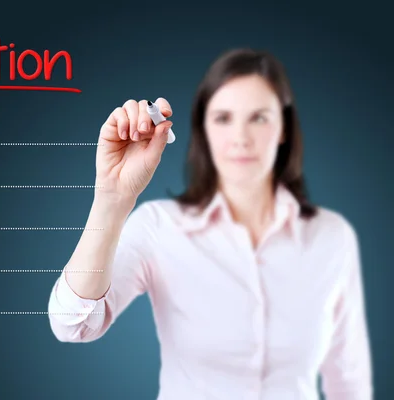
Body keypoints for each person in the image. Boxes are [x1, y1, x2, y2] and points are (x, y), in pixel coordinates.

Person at [47, 48, 373, 399]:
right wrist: (112, 199)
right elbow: (72, 324)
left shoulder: (332, 237)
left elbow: (348, 382)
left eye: (259, 118)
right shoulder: (160, 227)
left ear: (283, 128)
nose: (241, 137)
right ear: (204, 129)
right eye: (223, 118)